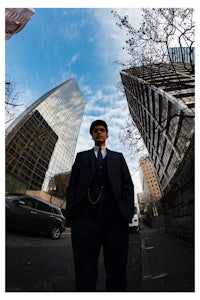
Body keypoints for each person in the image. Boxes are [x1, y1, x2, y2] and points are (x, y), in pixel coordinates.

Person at [66, 120, 134, 292]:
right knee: (84, 271)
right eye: (95, 130)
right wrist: (73, 214)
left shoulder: (118, 157)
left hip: (115, 219)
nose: (99, 132)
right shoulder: (82, 157)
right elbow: (72, 186)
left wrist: (126, 213)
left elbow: (127, 186)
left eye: (102, 130)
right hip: (85, 219)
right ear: (92, 135)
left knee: (117, 269)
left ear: (107, 134)